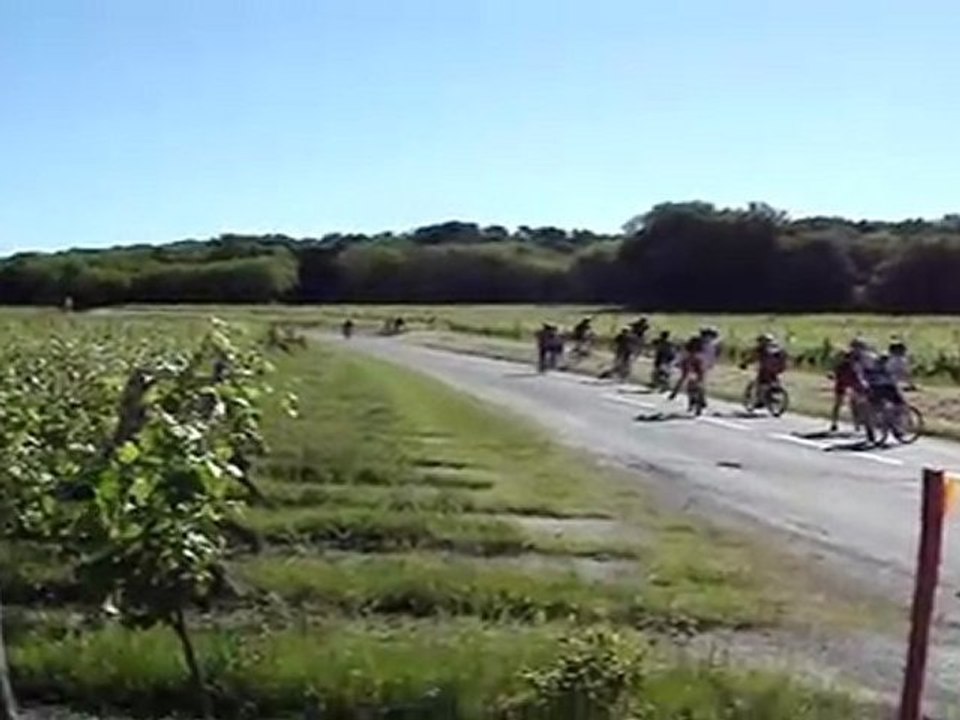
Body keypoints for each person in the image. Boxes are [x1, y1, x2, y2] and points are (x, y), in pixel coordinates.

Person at [740, 334, 787, 409]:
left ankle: (760, 400)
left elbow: (753, 357)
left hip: (766, 368)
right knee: (773, 379)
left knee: (760, 382)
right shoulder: (778, 347)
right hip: (779, 367)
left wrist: (744, 364)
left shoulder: (761, 348)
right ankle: (773, 393)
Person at [830, 342, 863, 432]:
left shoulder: (856, 362)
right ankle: (835, 423)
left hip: (850, 381)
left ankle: (856, 424)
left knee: (853, 404)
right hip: (844, 381)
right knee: (840, 403)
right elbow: (836, 371)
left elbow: (858, 375)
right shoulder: (843, 363)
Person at [669, 335, 707, 407]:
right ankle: (701, 399)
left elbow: (683, 360)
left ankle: (674, 393)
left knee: (686, 379)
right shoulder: (699, 351)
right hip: (694, 367)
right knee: (699, 383)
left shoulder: (689, 353)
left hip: (692, 367)